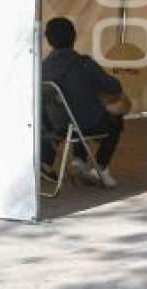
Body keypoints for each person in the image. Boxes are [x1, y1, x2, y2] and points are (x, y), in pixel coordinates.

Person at [41, 17, 125, 188]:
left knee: (76, 111)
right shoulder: (84, 64)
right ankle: (100, 167)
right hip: (86, 124)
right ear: (74, 37)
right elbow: (114, 87)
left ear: (48, 39)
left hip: (57, 126)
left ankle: (79, 160)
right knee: (115, 120)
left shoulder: (42, 67)